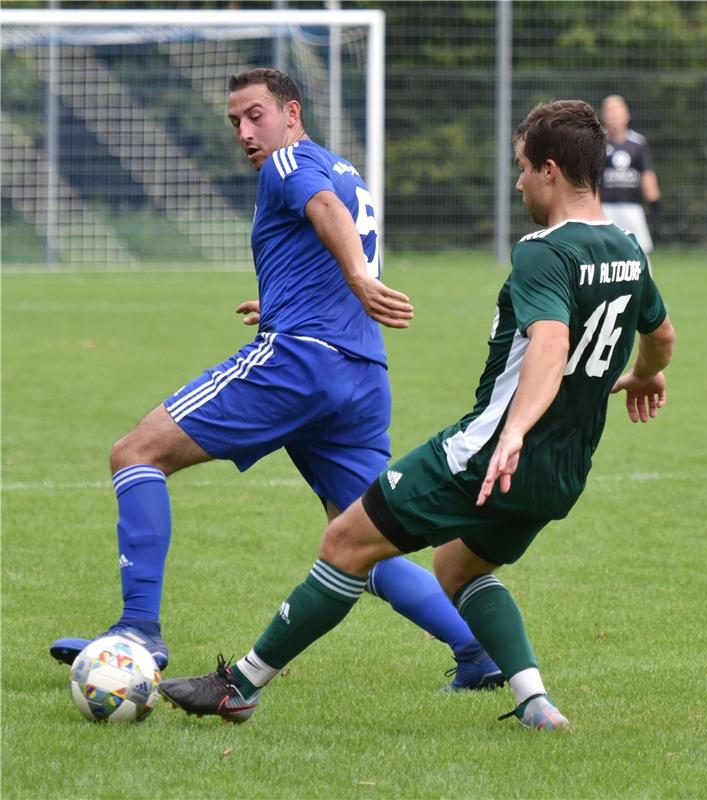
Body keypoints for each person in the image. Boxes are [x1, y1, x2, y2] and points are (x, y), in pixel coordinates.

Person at [158, 99, 676, 731]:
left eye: (521, 169)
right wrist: (645, 374)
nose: (517, 184)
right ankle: (535, 701)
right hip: (563, 470)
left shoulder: (544, 251)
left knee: (345, 541)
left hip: (489, 453)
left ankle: (238, 686)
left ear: (549, 170)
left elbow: (550, 343)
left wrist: (512, 431)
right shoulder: (627, 247)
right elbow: (663, 335)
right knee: (458, 567)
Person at [49, 68, 504, 692]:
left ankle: (137, 632)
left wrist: (355, 281)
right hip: (361, 375)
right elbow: (330, 226)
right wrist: (296, 299)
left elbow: (324, 213)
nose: (244, 131)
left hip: (302, 364)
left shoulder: (288, 165)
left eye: (255, 114)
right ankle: (476, 649)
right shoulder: (343, 168)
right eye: (234, 121)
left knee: (135, 454)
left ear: (292, 112)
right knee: (358, 535)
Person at [600, 94, 661, 254]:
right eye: (610, 112)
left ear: (626, 115)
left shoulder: (638, 143)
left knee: (639, 251)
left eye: (617, 111)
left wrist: (654, 202)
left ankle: (643, 279)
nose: (614, 116)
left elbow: (646, 173)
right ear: (604, 116)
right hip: (604, 208)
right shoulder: (599, 142)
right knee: (605, 252)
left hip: (632, 207)